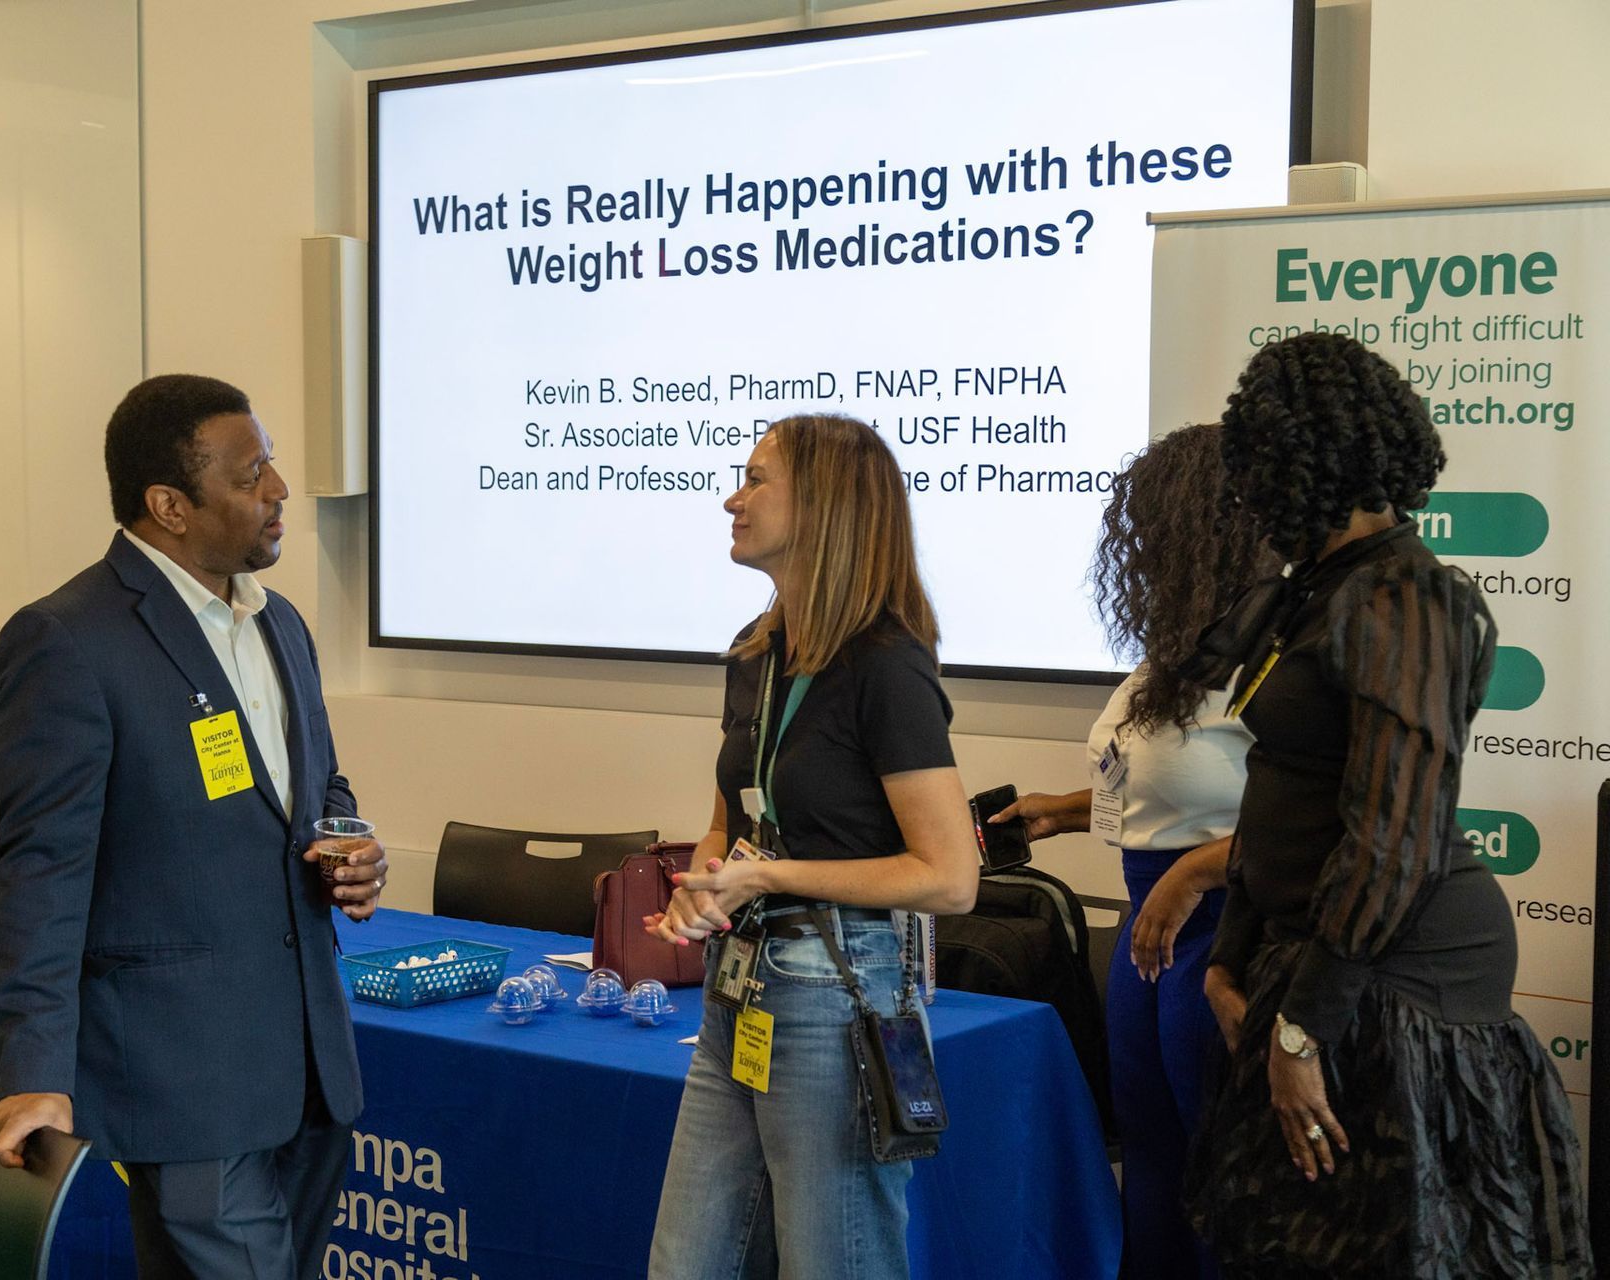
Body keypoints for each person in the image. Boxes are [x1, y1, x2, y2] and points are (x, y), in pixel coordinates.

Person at [1184, 332, 1590, 1278]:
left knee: (1391, 1252)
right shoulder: (1316, 595)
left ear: (1290, 462)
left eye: (1252, 465)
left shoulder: (1406, 599)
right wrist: (1230, 961)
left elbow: (1393, 841)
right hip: (1322, 964)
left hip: (1405, 978)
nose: (1243, 493)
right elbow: (1279, 788)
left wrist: (1300, 1028)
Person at [0, 374, 388, 1279]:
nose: (280, 489)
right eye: (251, 476)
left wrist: (349, 840)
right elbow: (40, 875)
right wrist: (32, 1071)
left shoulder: (278, 621)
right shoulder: (67, 639)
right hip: (180, 1076)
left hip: (309, 1066)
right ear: (169, 504)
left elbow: (313, 783)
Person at [645, 414, 978, 1280]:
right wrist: (710, 883)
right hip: (740, 988)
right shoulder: (756, 653)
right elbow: (732, 824)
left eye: (756, 479)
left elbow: (948, 877)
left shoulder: (886, 665)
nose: (732, 497)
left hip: (839, 995)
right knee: (687, 1264)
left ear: (825, 506)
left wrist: (772, 876)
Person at [993, 423, 1277, 1280]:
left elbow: (1318, 820)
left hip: (1227, 929)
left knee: (1222, 1171)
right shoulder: (1179, 654)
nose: (1138, 545)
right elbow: (1175, 791)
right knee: (1151, 1163)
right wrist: (1064, 812)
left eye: (1154, 526)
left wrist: (1194, 873)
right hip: (1151, 939)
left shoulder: (1275, 658)